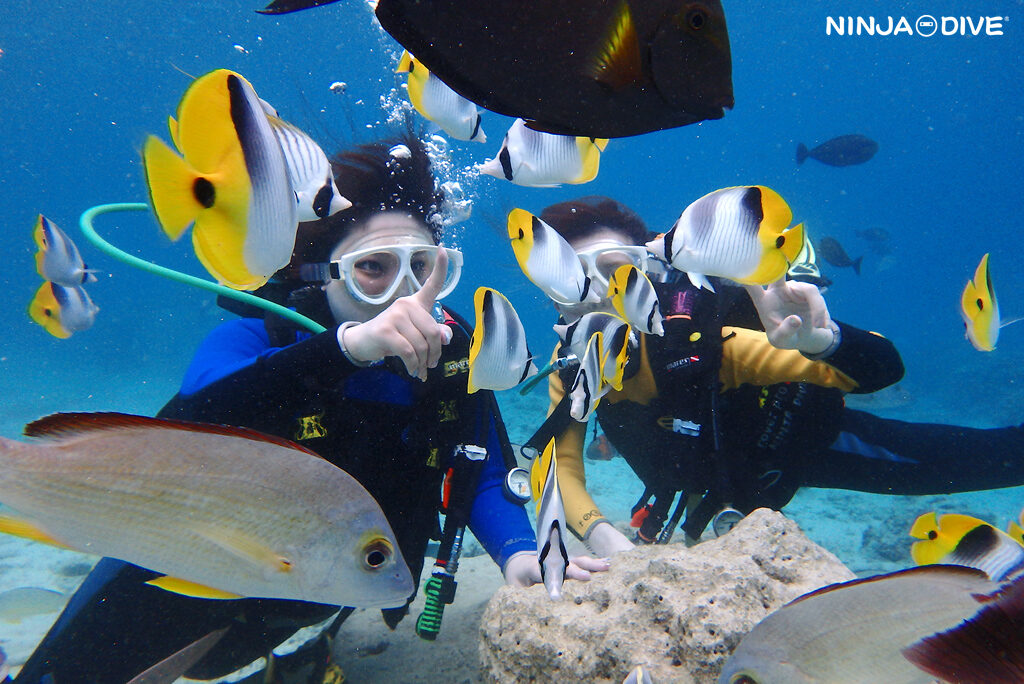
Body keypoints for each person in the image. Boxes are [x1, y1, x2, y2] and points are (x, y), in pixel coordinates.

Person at [14, 135, 605, 684]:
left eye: (421, 267)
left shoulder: (452, 356)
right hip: (169, 575)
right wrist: (349, 348)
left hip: (316, 592)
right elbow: (198, 413)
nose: (404, 294)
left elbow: (482, 468)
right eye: (373, 269)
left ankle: (304, 655)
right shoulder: (258, 339)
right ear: (317, 275)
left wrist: (518, 553)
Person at [531, 195, 1024, 557]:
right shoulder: (572, 370)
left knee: (979, 461)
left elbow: (882, 371)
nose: (594, 295)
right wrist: (602, 535)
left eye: (615, 272)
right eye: (568, 279)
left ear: (649, 276)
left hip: (801, 449)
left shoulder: (699, 344)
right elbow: (559, 471)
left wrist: (819, 341)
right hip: (705, 497)